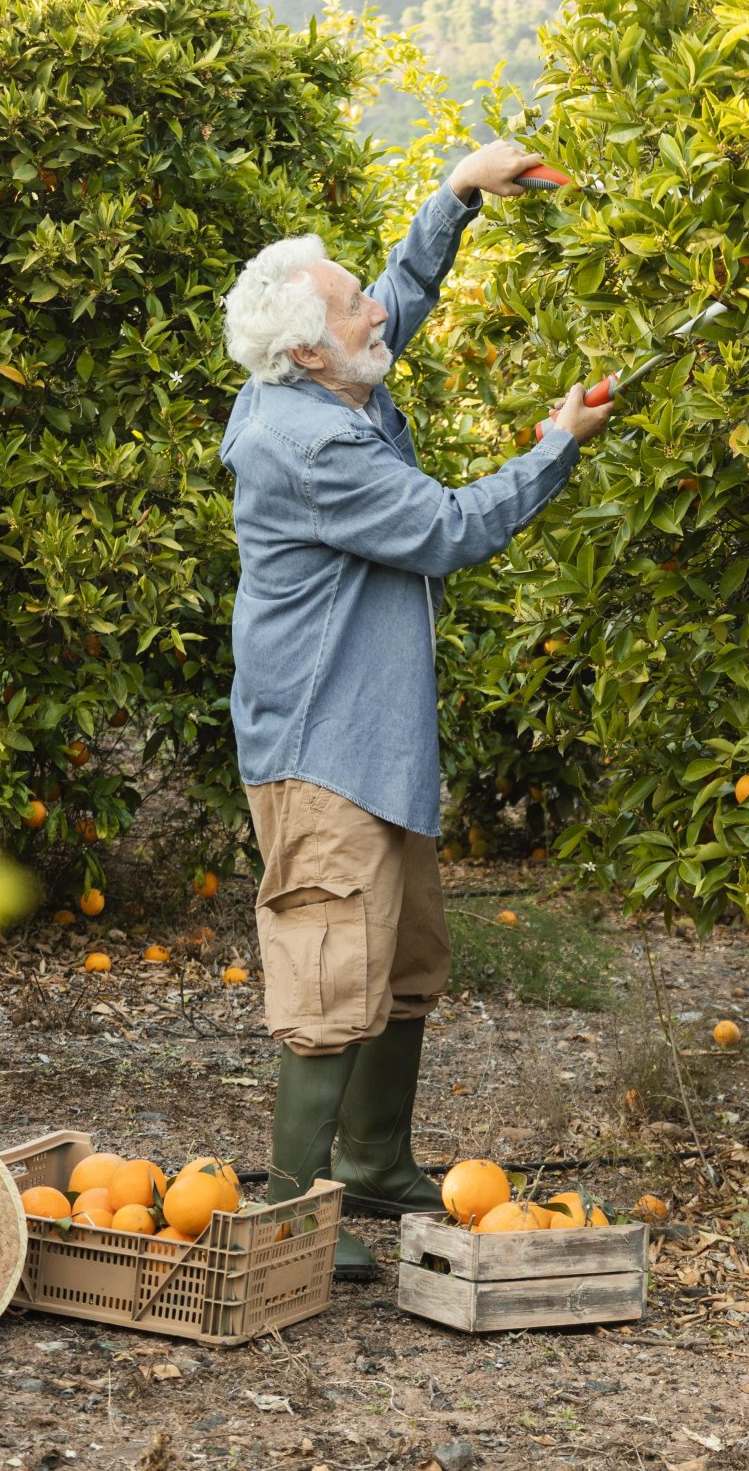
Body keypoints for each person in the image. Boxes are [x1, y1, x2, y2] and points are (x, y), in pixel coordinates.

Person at [218, 139, 610, 1277]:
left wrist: (454, 195)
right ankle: (297, 1207)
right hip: (319, 745)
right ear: (307, 346)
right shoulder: (315, 442)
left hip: (372, 731)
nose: (373, 318)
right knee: (330, 966)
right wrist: (555, 447)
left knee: (401, 960)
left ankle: (376, 1164)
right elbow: (450, 529)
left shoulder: (312, 374)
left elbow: (391, 302)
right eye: (351, 311)